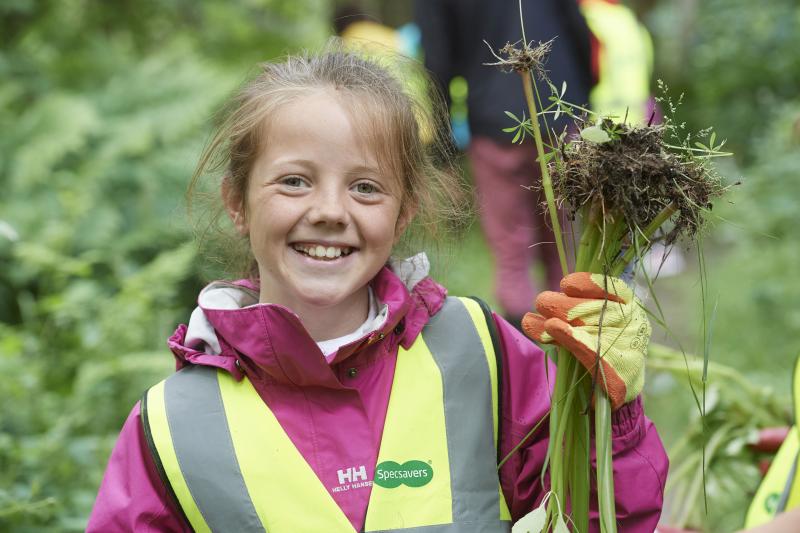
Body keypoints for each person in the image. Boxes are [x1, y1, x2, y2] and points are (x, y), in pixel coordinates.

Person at [87, 44, 667, 532]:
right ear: (237, 202)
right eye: (294, 181)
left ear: (404, 210)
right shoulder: (170, 426)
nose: (330, 211)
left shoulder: (477, 352)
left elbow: (598, 517)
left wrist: (605, 413)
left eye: (365, 188)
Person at [415, 0, 595, 327]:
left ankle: (525, 346)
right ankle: (570, 342)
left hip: (493, 122)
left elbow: (438, 58)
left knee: (511, 246)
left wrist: (442, 145)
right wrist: (585, 100)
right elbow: (578, 27)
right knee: (564, 240)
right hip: (561, 111)